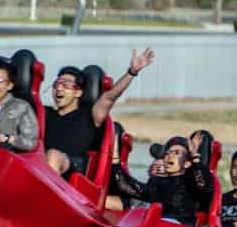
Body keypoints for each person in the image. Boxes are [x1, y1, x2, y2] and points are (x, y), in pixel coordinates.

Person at [42, 48, 156, 177]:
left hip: (74, 169)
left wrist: (132, 72)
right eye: (56, 84)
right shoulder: (45, 113)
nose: (59, 88)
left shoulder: (89, 115)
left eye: (65, 85)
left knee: (53, 156)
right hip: (42, 163)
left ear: (78, 92)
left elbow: (110, 97)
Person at [114, 132, 215, 223]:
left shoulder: (191, 183)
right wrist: (115, 161)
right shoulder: (157, 183)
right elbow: (128, 186)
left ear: (187, 164)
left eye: (176, 153)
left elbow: (205, 185)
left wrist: (195, 158)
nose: (170, 155)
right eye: (167, 153)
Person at [0, 58, 38, 152]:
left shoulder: (21, 107)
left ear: (10, 85)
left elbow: (31, 143)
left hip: (8, 160)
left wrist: (5, 138)